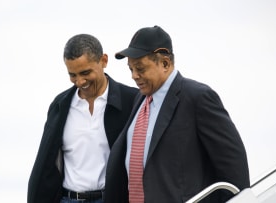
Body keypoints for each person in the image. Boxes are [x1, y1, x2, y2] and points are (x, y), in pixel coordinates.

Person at [104, 25, 250, 203]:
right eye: (131, 69)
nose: (134, 76)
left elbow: (234, 167)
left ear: (165, 63)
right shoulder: (141, 100)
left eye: (140, 69)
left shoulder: (198, 97)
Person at [27, 33, 139, 203]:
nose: (79, 81)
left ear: (104, 61)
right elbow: (45, 164)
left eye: (85, 72)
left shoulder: (132, 100)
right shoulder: (60, 105)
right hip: (67, 199)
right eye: (72, 75)